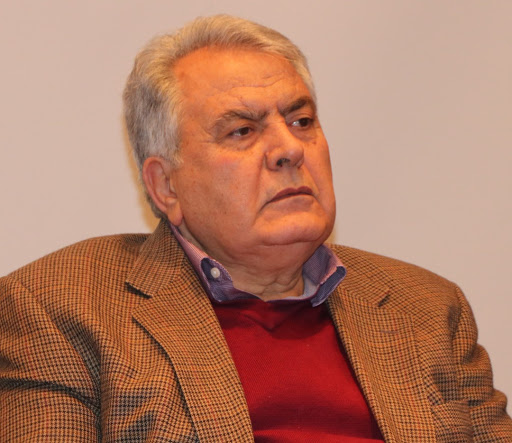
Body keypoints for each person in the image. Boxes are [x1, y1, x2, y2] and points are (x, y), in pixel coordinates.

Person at [0, 14, 511, 442]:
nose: (289, 149)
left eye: (302, 121)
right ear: (165, 186)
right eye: (242, 131)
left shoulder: (427, 308)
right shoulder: (60, 308)